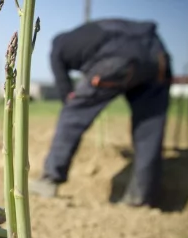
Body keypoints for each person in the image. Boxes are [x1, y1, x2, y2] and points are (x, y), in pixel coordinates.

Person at [30, 19, 172, 207]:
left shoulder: (57, 48)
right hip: (158, 55)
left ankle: (49, 179)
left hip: (118, 58)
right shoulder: (91, 31)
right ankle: (140, 198)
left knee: (72, 114)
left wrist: (76, 100)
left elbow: (67, 94)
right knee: (149, 131)